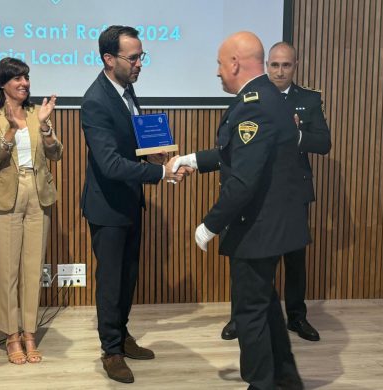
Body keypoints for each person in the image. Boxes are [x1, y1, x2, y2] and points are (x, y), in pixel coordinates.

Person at [173, 32, 309, 389]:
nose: (218, 72)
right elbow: (240, 154)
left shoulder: (252, 104)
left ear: (235, 63)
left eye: (220, 64)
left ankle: (262, 383)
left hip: (257, 229)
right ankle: (285, 378)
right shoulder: (269, 97)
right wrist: (191, 159)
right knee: (265, 307)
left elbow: (244, 181)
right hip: (273, 226)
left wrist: (209, 224)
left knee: (249, 313)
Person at [80, 25, 187, 384]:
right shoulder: (94, 101)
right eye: (134, 57)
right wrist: (160, 175)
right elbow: (109, 164)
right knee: (110, 282)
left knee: (128, 277)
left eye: (142, 56)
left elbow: (129, 143)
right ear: (110, 60)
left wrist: (152, 153)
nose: (140, 63)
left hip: (129, 202)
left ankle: (121, 336)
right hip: (107, 208)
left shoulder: (127, 90)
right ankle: (110, 351)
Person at [221, 41, 331, 342]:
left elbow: (323, 143)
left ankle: (296, 316)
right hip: (258, 192)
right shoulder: (254, 97)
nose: (280, 71)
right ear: (266, 65)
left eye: (286, 65)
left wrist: (296, 134)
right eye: (274, 65)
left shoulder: (307, 100)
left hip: (293, 192)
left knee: (295, 259)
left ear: (295, 66)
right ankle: (239, 316)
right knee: (248, 258)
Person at [0, 57, 63, 365]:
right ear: (3, 83)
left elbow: (56, 154)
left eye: (26, 77)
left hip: (37, 194)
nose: (24, 83)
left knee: (32, 269)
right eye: (17, 78)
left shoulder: (36, 114)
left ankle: (29, 333)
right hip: (5, 197)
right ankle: (11, 336)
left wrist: (46, 128)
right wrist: (11, 132)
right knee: (8, 271)